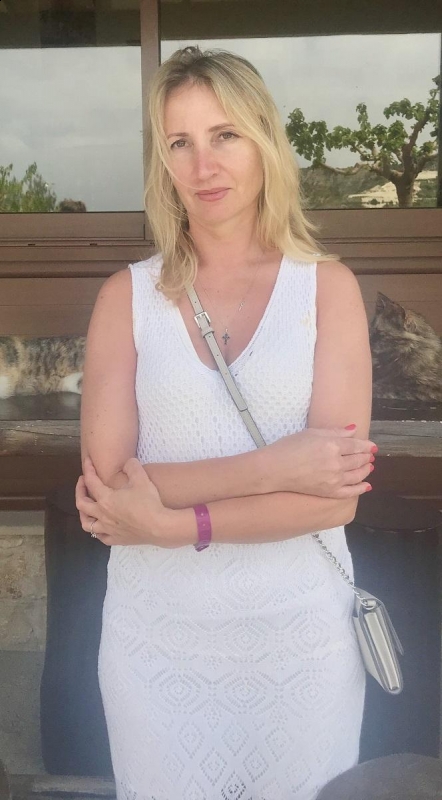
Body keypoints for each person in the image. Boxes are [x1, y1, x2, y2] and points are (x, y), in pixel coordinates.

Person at [76, 46, 375, 800]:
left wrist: (175, 524)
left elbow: (333, 500)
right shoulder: (125, 298)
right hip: (157, 646)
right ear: (162, 163)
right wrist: (277, 466)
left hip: (298, 646)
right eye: (179, 142)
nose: (202, 165)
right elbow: (112, 489)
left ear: (265, 140)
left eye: (225, 135)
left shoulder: (328, 290)